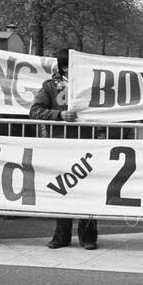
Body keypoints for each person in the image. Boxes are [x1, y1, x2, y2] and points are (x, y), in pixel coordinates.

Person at [30, 49, 97, 250]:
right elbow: (34, 111)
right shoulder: (50, 86)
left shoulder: (92, 86)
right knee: (61, 190)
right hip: (59, 146)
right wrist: (59, 116)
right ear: (66, 67)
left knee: (87, 190)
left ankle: (88, 237)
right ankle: (61, 236)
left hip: (87, 145)